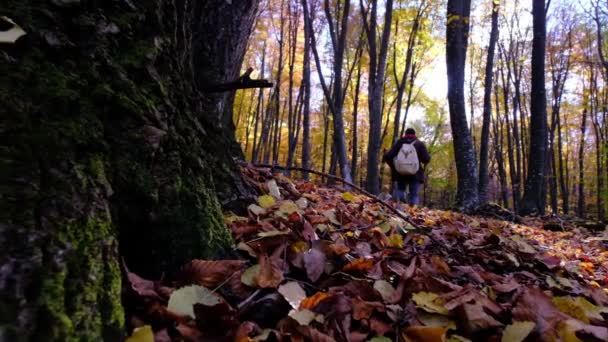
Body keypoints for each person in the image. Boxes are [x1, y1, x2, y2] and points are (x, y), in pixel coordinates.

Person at [383, 128, 430, 205]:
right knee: (414, 194)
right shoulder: (419, 144)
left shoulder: (399, 143)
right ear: (415, 135)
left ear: (405, 134)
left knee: (400, 190)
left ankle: (397, 210)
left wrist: (394, 167)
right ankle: (413, 213)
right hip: (416, 173)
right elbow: (426, 159)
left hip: (401, 173)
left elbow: (388, 156)